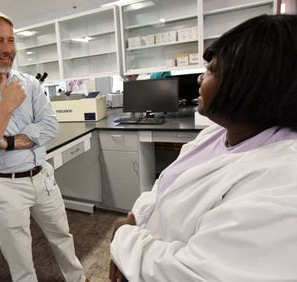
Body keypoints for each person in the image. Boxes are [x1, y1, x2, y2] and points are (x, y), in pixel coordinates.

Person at [109, 14, 297, 282]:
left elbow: (192, 274)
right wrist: (136, 218)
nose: (199, 78)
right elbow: (166, 184)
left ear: (251, 84)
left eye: (211, 70)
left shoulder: (284, 182)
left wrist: (124, 239)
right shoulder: (217, 134)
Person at [0, 12, 86, 282]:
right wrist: (6, 106)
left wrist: (2, 139)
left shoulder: (30, 84)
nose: (7, 49)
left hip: (42, 176)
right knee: (20, 257)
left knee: (63, 237)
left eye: (11, 40)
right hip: (4, 185)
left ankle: (78, 279)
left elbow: (49, 127)